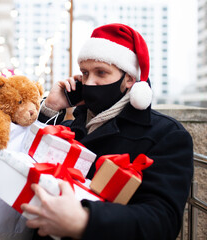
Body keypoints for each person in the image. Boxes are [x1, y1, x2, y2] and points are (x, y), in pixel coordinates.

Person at [20, 23, 194, 240]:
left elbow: (162, 221)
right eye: (84, 73)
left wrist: (84, 221)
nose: (89, 82)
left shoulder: (167, 135)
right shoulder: (73, 125)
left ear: (130, 79)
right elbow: (24, 154)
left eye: (101, 72)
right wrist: (52, 107)